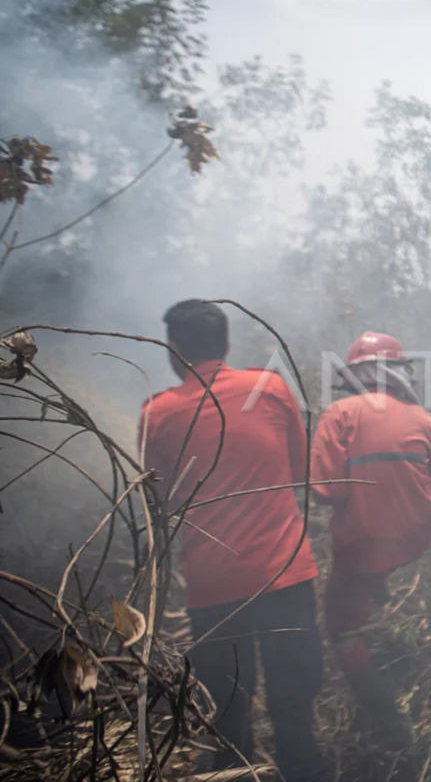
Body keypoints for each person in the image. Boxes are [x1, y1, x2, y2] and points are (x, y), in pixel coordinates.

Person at [140, 300, 323, 782]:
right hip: (286, 576)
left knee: (228, 724)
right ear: (225, 344)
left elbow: (158, 505)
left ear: (173, 350)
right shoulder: (271, 390)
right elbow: (300, 470)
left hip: (214, 589)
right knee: (295, 715)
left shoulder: (157, 414)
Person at [311, 332, 431, 735]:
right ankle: (383, 604)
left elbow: (326, 491)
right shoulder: (421, 417)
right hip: (415, 540)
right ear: (398, 374)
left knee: (340, 629)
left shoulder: (338, 414)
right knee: (379, 576)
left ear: (355, 376)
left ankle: (389, 720)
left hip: (363, 545)